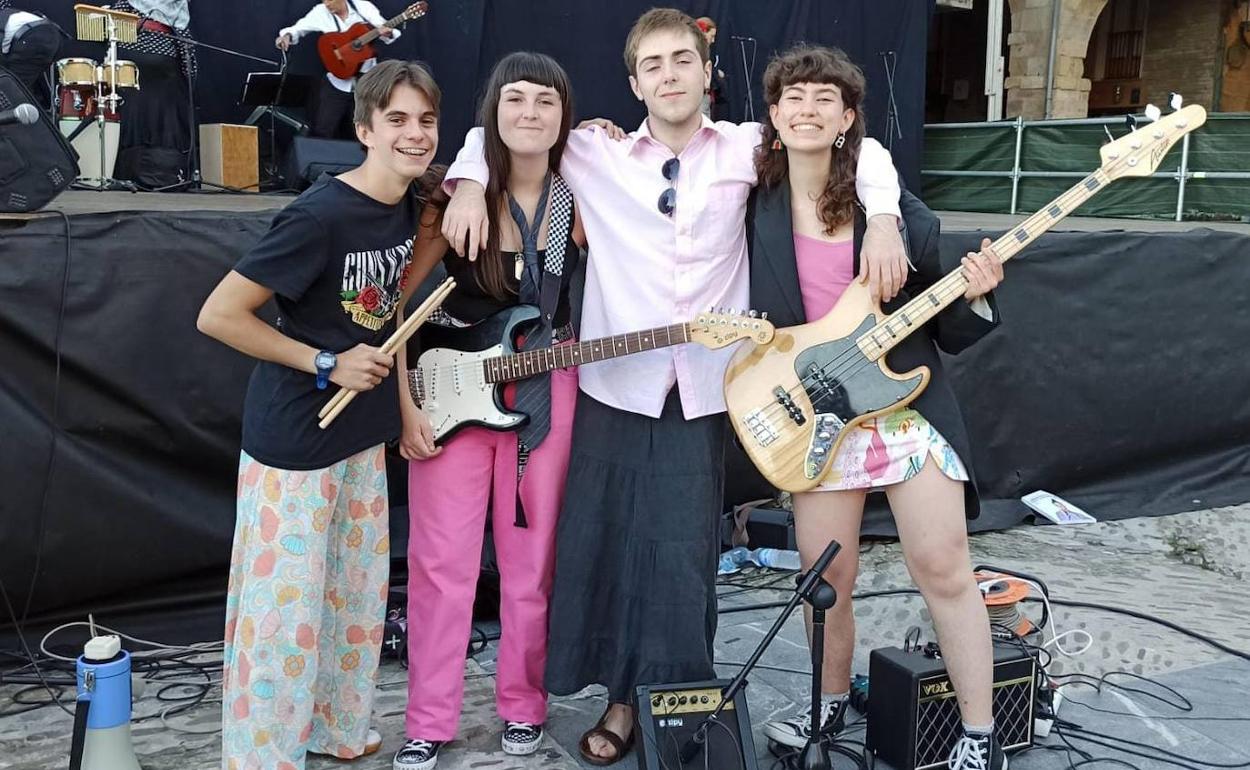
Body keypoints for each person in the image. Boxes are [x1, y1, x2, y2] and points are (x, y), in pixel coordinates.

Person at [439, 8, 907, 765]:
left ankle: (676, 703)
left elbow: (865, 149)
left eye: (680, 60)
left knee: (682, 558)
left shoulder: (751, 147)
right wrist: (466, 180)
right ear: (633, 82)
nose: (667, 75)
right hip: (612, 385)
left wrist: (882, 221)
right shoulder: (595, 150)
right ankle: (620, 700)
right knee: (608, 547)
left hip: (707, 391)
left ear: (705, 71)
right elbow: (505, 130)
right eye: (651, 64)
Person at [743, 44, 1008, 770]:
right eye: (792, 96)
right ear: (772, 114)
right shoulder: (752, 202)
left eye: (824, 97)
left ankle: (980, 736)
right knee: (823, 581)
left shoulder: (890, 208)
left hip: (903, 412)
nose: (806, 107)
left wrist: (978, 288)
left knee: (944, 567)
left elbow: (946, 325)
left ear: (848, 116)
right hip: (821, 416)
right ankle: (827, 713)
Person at [197, 59, 440, 770]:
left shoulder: (409, 205)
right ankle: (262, 755)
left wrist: (404, 409)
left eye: (425, 119)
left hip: (362, 439)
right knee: (283, 622)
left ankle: (336, 729)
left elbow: (389, 323)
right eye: (396, 119)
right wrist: (324, 363)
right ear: (363, 128)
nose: (414, 133)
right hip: (296, 444)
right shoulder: (318, 215)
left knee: (353, 605)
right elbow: (218, 316)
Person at [391, 51, 584, 770]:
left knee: (533, 563)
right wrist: (406, 402)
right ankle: (428, 719)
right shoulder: (451, 199)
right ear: (492, 113)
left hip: (545, 387)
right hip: (451, 398)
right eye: (515, 101)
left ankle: (523, 707)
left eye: (545, 101)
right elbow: (394, 310)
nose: (530, 114)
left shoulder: (580, 197)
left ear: (565, 114)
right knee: (442, 564)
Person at [277, 0, 402, 140]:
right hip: (337, 80)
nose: (327, 4)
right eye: (324, 1)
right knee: (323, 129)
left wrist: (388, 33)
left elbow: (383, 28)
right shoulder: (320, 11)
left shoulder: (363, 7)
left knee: (367, 130)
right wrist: (286, 36)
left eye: (330, 0)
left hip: (366, 81)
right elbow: (298, 28)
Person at [107, 0, 197, 188]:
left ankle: (126, 173)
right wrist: (190, 76)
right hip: (165, 65)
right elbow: (186, 54)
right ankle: (166, 173)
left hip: (130, 66)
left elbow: (110, 25)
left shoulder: (131, 2)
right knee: (164, 117)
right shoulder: (177, 5)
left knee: (130, 114)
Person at [0, 0, 64, 110]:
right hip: (52, 36)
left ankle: (23, 121)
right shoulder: (7, 15)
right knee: (23, 87)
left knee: (11, 89)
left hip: (31, 37)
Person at [694, 16, 726, 120]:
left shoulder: (704, 51)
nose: (713, 40)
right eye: (711, 36)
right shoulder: (695, 51)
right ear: (703, 32)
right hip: (699, 95)